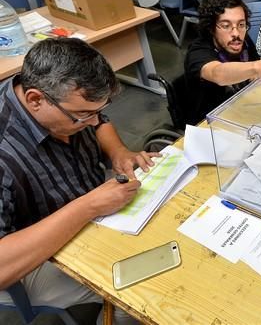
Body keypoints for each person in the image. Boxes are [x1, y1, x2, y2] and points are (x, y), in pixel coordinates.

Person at [0, 37, 156, 324]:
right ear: (35, 100)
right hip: (33, 256)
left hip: (89, 207)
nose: (95, 121)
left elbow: (100, 121)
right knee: (139, 289)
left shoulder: (60, 97)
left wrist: (118, 151)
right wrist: (88, 207)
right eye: (83, 116)